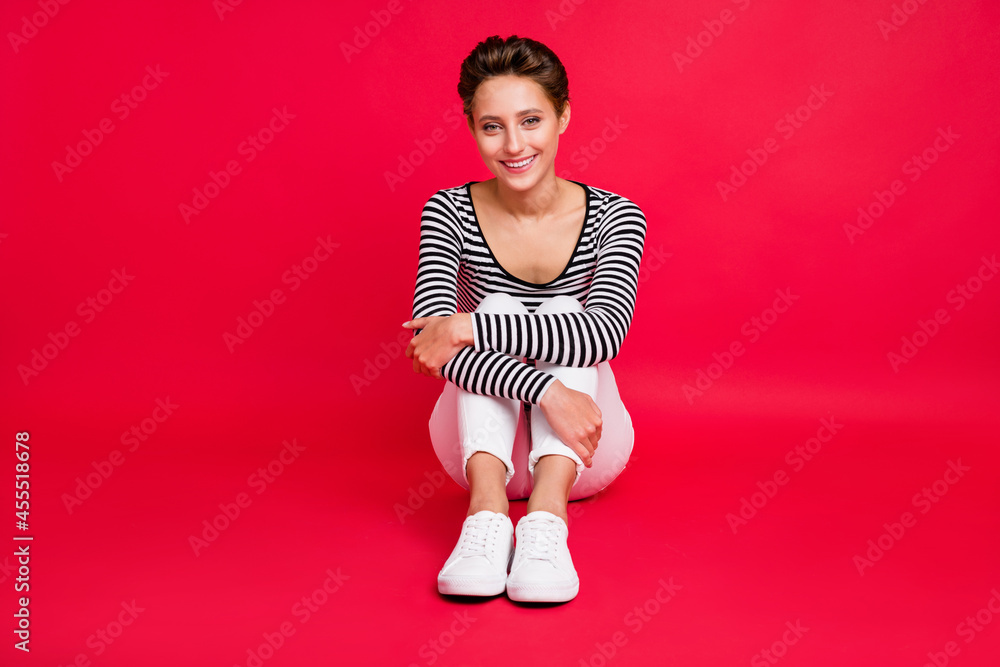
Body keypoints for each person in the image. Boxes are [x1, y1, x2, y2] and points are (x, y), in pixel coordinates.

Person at [402, 34, 646, 603]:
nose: (513, 145)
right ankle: (484, 517)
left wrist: (463, 326)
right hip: (478, 451)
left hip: (585, 443)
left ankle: (545, 523)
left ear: (563, 116)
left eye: (531, 120)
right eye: (492, 126)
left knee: (562, 310)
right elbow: (429, 349)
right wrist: (547, 391)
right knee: (499, 304)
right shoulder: (449, 210)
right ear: (473, 127)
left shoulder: (615, 215)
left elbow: (603, 331)